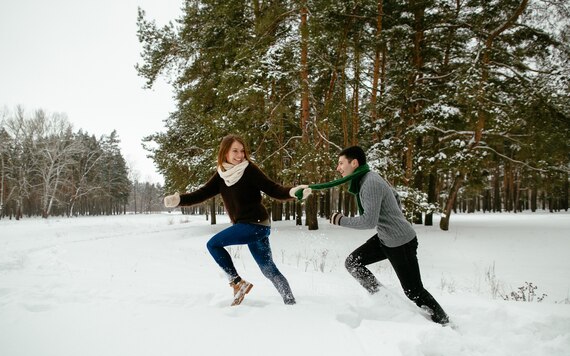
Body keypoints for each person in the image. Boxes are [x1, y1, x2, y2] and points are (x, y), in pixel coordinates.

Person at [163, 134, 311, 306]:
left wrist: (293, 192)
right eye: (235, 151)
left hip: (255, 224)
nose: (240, 155)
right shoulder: (221, 176)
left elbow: (272, 188)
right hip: (249, 227)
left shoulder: (249, 170)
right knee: (268, 269)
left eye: (242, 151)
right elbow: (201, 194)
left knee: (213, 244)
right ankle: (290, 301)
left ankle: (237, 283)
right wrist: (179, 200)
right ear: (225, 152)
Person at [328, 145, 450, 325]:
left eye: (340, 163)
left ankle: (444, 322)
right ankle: (385, 300)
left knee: (414, 291)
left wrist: (341, 220)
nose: (338, 168)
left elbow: (369, 221)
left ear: (354, 163)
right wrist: (394, 218)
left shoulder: (369, 182)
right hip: (386, 238)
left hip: (401, 242)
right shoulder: (367, 178)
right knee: (353, 262)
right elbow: (395, 195)